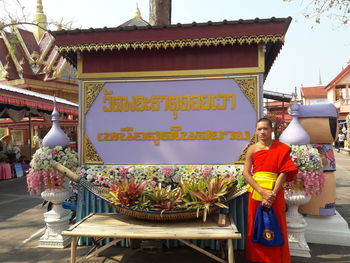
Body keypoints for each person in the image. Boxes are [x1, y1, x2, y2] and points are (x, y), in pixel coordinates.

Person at [243, 118, 298, 263]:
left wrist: (271, 194)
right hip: (256, 193)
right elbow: (246, 173)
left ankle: (276, 259)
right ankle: (257, 258)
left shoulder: (281, 148)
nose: (262, 132)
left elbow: (284, 172)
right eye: (259, 129)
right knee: (256, 223)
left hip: (275, 194)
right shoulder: (252, 149)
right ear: (256, 131)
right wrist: (262, 191)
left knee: (276, 223)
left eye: (265, 128)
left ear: (271, 130)